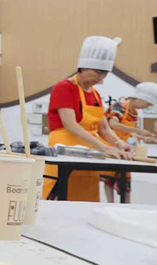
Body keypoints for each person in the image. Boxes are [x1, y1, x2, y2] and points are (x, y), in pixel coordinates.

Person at [42, 36, 133, 202]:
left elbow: (103, 128)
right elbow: (70, 125)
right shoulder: (64, 87)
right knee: (63, 199)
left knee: (86, 201)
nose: (101, 78)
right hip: (66, 153)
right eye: (98, 72)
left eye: (105, 73)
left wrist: (119, 143)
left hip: (90, 153)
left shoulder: (95, 94)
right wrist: (104, 148)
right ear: (83, 67)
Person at [102, 82, 157, 202]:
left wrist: (142, 137)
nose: (146, 107)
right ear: (141, 99)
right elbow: (112, 124)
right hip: (111, 146)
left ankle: (126, 206)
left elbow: (127, 132)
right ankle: (110, 205)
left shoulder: (134, 112)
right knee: (109, 179)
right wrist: (137, 130)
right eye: (147, 104)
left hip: (125, 148)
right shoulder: (120, 106)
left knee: (125, 181)